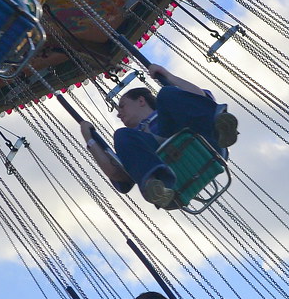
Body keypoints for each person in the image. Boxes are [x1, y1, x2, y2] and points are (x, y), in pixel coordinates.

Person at [80, 63, 239, 209]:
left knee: (167, 93)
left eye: (122, 106)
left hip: (195, 138)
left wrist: (169, 76)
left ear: (141, 100)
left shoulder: (167, 111)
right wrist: (90, 140)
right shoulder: (133, 139)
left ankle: (221, 129)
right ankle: (155, 186)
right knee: (121, 135)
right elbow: (117, 173)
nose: (119, 114)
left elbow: (201, 97)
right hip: (165, 168)